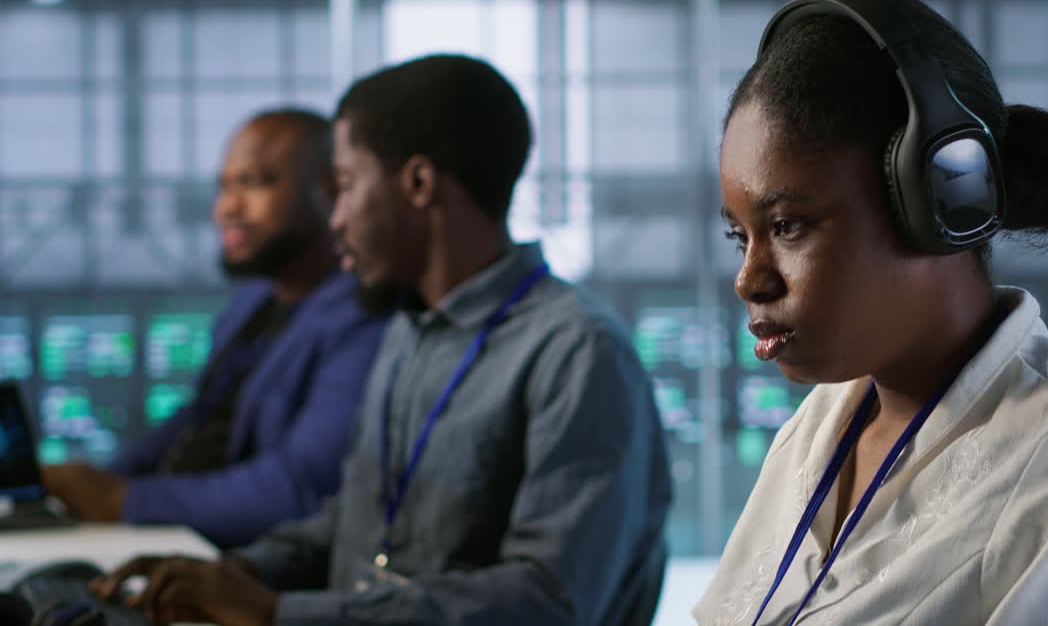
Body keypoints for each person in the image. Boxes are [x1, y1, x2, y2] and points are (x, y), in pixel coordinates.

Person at [94, 55, 673, 626]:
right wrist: (231, 574)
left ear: (418, 184)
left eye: (346, 186)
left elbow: (546, 601)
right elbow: (358, 522)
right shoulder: (407, 331)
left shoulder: (576, 351)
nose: (336, 218)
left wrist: (278, 613)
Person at [696, 0, 1048, 625]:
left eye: (787, 226)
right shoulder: (817, 427)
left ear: (940, 201)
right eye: (740, 237)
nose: (749, 280)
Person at [41, 109, 388, 549]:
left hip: (253, 561)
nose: (228, 208)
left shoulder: (363, 316)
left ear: (329, 191)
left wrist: (125, 500)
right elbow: (198, 419)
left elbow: (301, 488)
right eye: (224, 187)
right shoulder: (254, 302)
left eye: (256, 182)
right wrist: (93, 484)